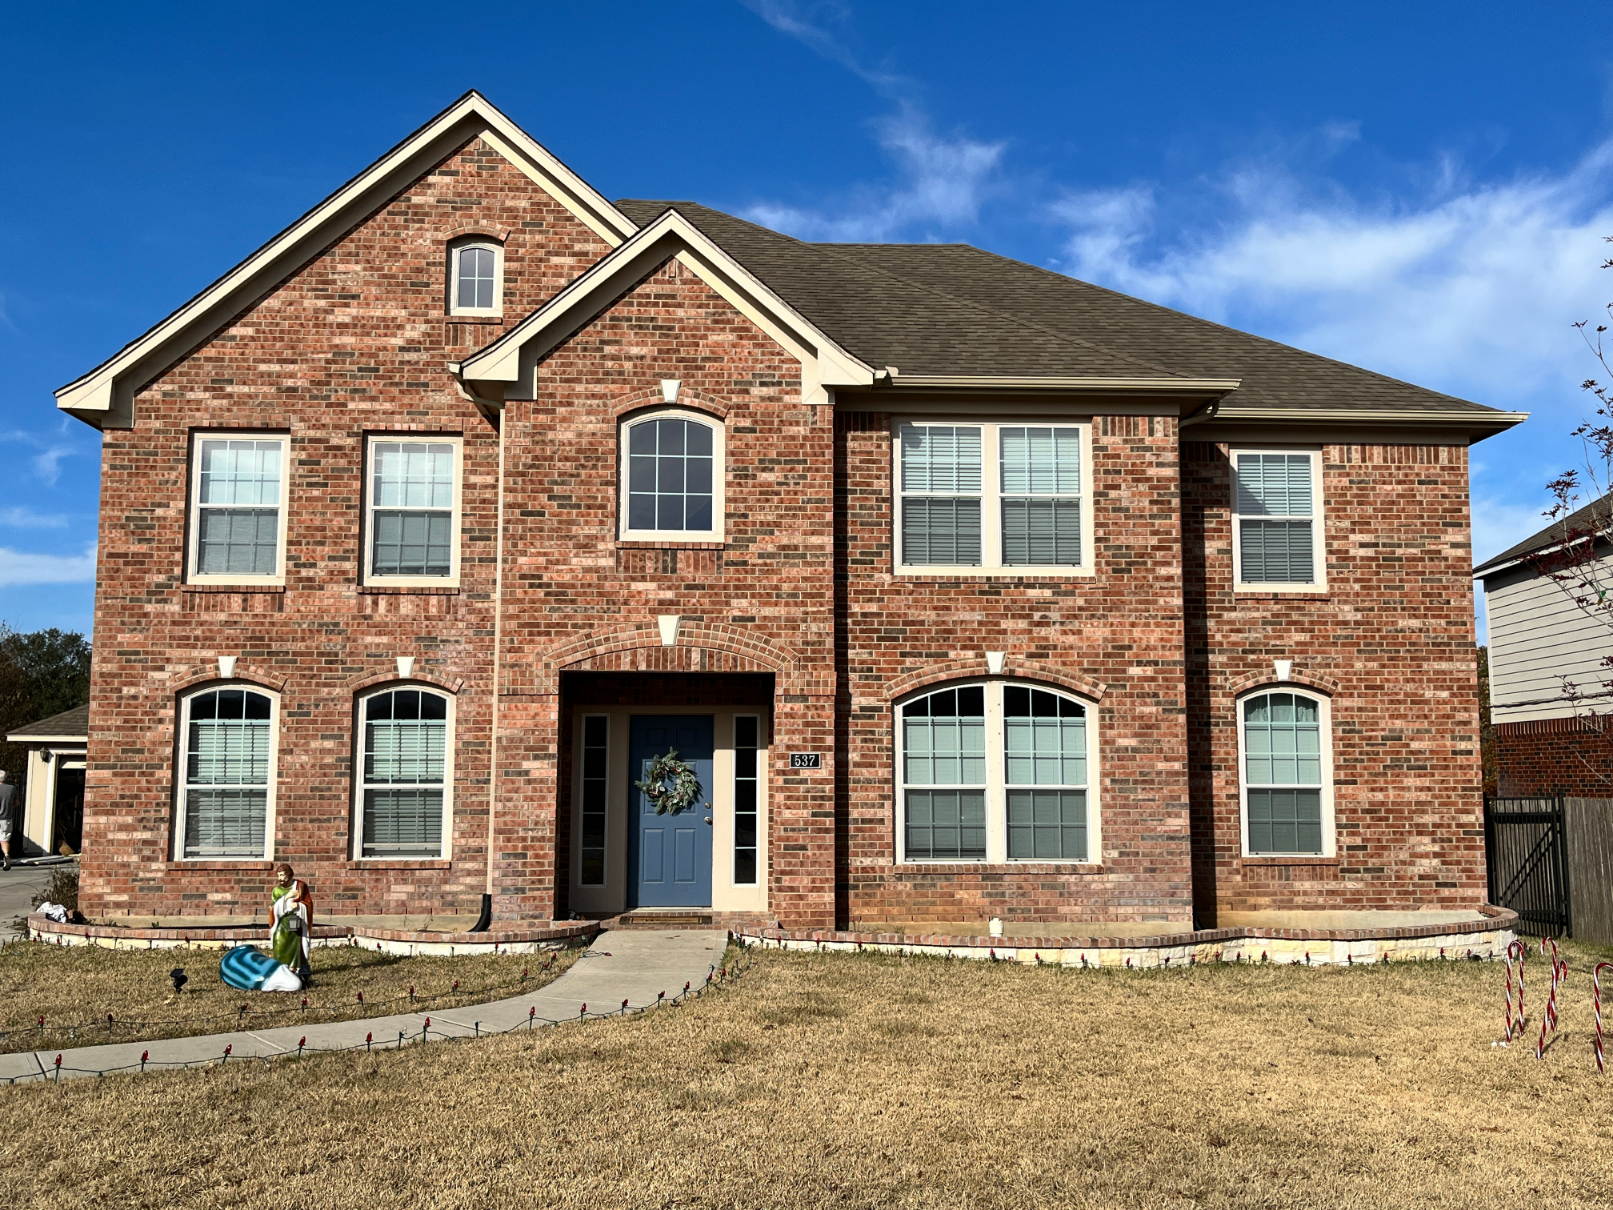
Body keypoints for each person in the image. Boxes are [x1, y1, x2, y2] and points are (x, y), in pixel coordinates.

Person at [269, 863, 314, 984]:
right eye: (278, 875)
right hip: (282, 925)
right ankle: (280, 972)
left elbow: (309, 904)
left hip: (297, 925)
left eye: (282, 875)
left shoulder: (301, 886)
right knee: (279, 946)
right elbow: (273, 909)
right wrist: (286, 899)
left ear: (289, 875)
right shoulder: (277, 891)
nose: (280, 878)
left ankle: (302, 973)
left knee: (300, 950)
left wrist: (299, 906)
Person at [0, 770, 16, 871]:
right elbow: (17, 803)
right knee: (4, 839)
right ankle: (6, 855)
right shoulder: (12, 789)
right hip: (6, 818)